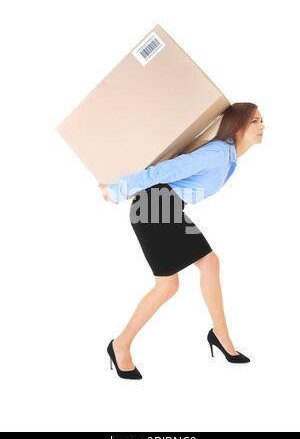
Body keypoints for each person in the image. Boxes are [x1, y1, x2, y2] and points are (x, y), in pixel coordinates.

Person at [100, 103, 265, 379]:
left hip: (167, 209)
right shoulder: (216, 155)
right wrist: (119, 189)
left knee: (209, 264)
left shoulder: (229, 159)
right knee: (168, 285)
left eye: (262, 121)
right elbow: (165, 171)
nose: (262, 127)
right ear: (237, 126)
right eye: (255, 121)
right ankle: (120, 345)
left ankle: (220, 335)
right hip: (153, 208)